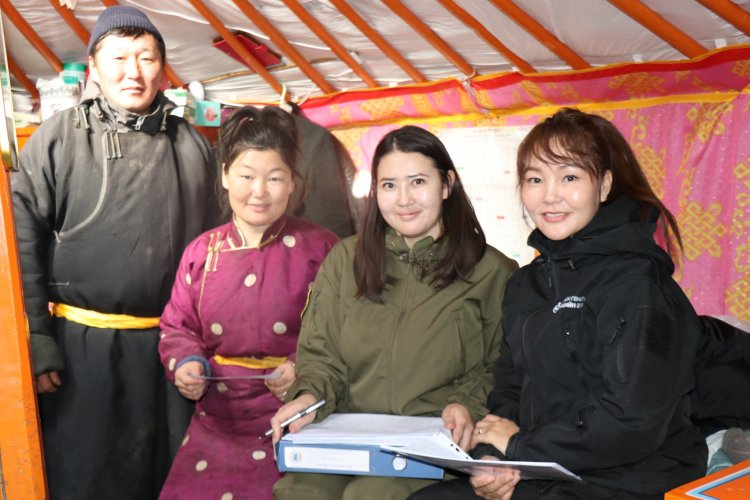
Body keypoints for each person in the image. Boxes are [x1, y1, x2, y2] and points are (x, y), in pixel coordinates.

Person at [410, 108, 707, 500]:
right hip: (544, 467)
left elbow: (633, 420)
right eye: (535, 179)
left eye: (569, 177)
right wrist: (492, 460)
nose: (549, 195)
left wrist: (519, 448)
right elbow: (509, 391)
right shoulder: (526, 285)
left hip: (630, 477)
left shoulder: (638, 284)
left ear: (604, 186)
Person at [11, 6, 221, 499]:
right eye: (119, 57)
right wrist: (37, 339)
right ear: (93, 67)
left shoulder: (192, 144)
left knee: (170, 477)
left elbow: (215, 252)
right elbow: (22, 241)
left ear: (163, 69)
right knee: (88, 479)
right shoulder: (59, 137)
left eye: (147, 58)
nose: (134, 71)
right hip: (82, 352)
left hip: (172, 352)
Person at [271, 125, 518, 500]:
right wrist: (310, 396)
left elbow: (501, 366)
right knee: (299, 490)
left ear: (447, 184)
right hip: (348, 436)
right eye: (389, 185)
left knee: (372, 495)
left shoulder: (491, 271)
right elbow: (322, 354)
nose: (404, 200)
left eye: (418, 182)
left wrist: (466, 405)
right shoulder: (346, 260)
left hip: (435, 442)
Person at [157, 105, 339, 500]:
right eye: (246, 176)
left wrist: (302, 369)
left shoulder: (324, 250)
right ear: (225, 175)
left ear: (292, 183)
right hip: (215, 420)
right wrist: (187, 364)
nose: (259, 191)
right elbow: (177, 326)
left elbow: (346, 332)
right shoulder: (201, 252)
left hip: (297, 419)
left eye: (275, 178)